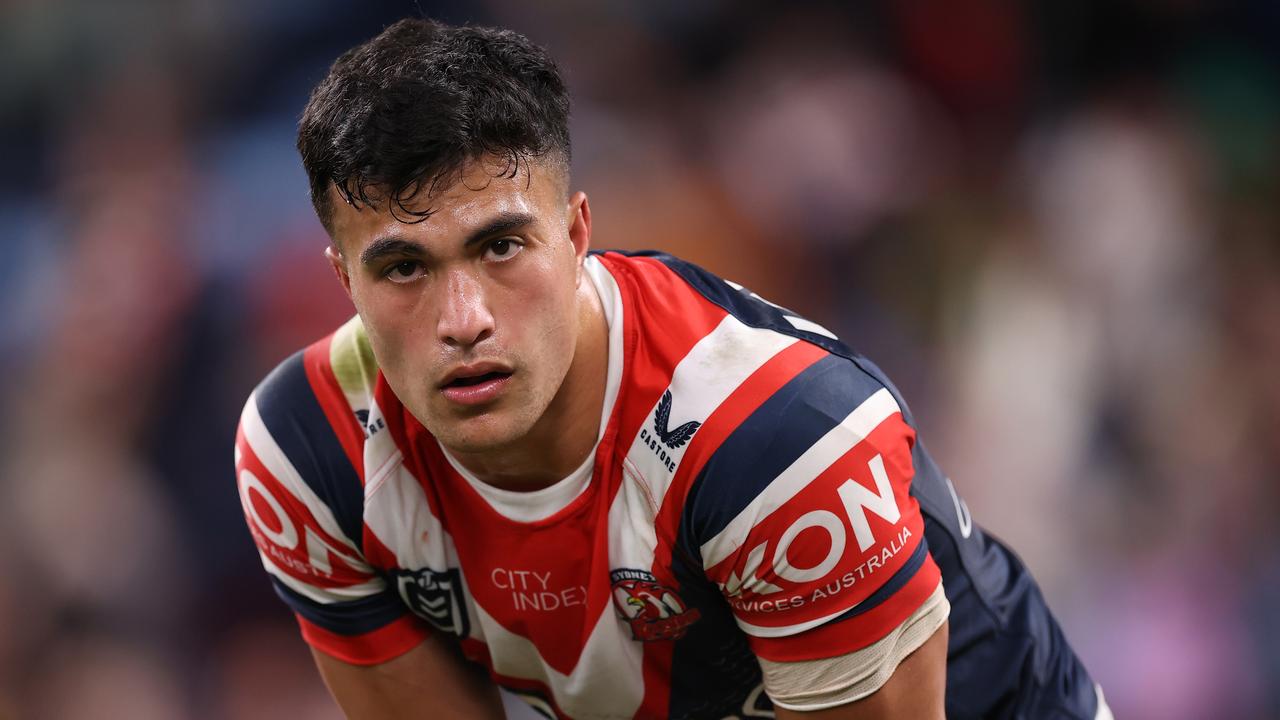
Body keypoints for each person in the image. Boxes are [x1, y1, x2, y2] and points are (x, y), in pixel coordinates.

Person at [232, 17, 1110, 720]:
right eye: (403, 268)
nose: (464, 321)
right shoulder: (307, 454)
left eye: (501, 246)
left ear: (577, 236)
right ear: (343, 279)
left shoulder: (779, 444)